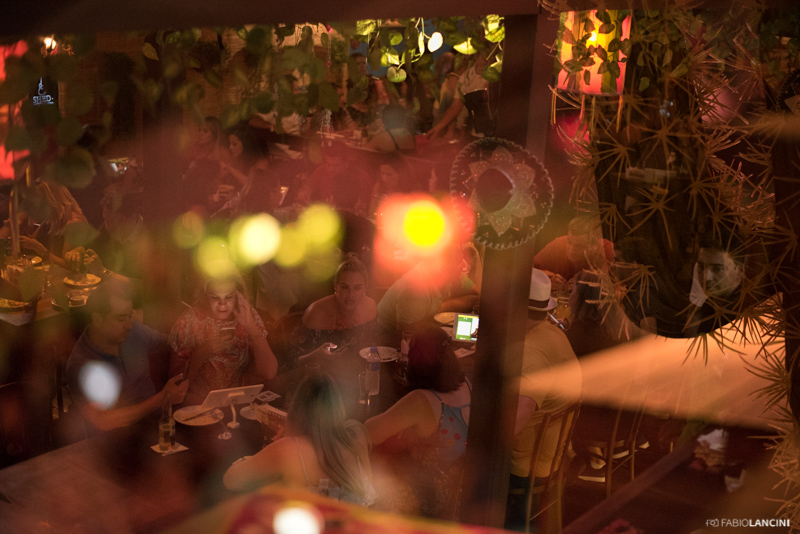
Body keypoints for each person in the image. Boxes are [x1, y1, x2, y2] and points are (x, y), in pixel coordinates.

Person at [223, 373, 377, 506]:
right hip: (361, 525)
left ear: (296, 410)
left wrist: (259, 456)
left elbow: (231, 480)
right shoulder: (356, 434)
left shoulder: (291, 448)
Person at [365, 325, 470, 518]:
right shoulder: (467, 385)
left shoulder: (423, 400)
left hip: (431, 502)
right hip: (464, 496)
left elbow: (369, 433)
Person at [506, 268, 581, 531]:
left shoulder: (531, 353)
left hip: (524, 471)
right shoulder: (553, 333)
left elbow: (510, 427)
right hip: (553, 459)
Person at [65, 280, 188, 431]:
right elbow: (103, 421)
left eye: (129, 317)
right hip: (117, 438)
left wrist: (190, 341)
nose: (129, 325)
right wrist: (159, 400)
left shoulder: (133, 332)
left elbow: (169, 343)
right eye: (121, 318)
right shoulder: (81, 364)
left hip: (155, 425)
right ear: (97, 319)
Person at [168, 271, 277, 406]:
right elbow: (176, 388)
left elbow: (269, 373)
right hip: (200, 405)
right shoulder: (188, 321)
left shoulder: (248, 315)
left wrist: (251, 328)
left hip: (239, 403)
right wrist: (202, 353)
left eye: (229, 297)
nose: (222, 304)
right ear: (205, 294)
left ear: (238, 295)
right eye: (215, 297)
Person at [377, 243, 480, 337]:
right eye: (458, 262)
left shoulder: (453, 276)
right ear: (443, 267)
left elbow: (478, 297)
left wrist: (444, 306)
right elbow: (406, 336)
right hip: (386, 338)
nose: (463, 266)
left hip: (423, 330)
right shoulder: (415, 290)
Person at [292, 254, 377, 362]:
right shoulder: (316, 312)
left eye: (357, 288)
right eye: (344, 287)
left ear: (365, 288)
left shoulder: (370, 308)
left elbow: (374, 348)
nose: (351, 295)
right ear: (336, 287)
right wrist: (315, 356)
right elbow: (292, 361)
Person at [533, 215, 615, 292]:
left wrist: (586, 288)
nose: (571, 250)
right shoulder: (558, 245)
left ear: (595, 245)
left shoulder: (609, 252)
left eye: (578, 246)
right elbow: (527, 271)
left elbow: (619, 290)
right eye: (569, 241)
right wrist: (545, 280)